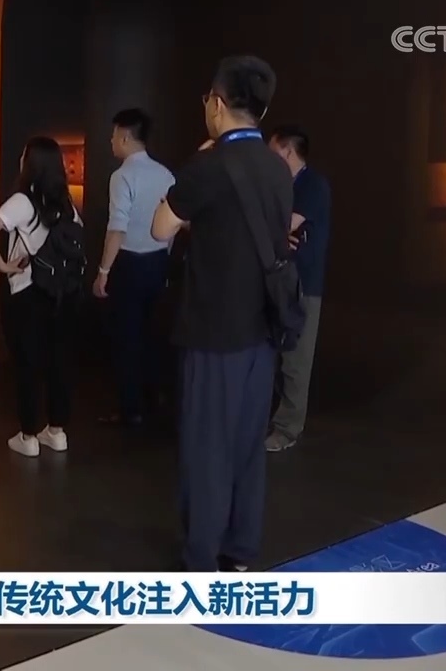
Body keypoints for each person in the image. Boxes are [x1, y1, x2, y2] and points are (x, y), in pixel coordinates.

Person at [151, 56, 293, 572]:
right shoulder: (278, 168)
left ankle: (202, 557)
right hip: (263, 329)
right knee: (247, 447)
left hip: (214, 330)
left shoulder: (208, 165)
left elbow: (160, 228)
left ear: (216, 103)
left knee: (207, 448)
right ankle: (241, 550)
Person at [0, 137, 83, 457]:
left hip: (28, 290)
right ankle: (57, 431)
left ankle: (28, 436)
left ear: (30, 162)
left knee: (28, 363)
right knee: (58, 361)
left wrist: (3, 266)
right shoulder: (65, 201)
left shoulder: (23, 200)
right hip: (63, 291)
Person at [93, 108, 176, 427]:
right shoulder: (165, 174)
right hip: (157, 261)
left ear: (126, 137)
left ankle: (131, 409)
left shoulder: (122, 176)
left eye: (114, 135)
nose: (111, 141)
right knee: (151, 332)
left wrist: (103, 271)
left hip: (128, 264)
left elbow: (117, 227)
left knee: (127, 337)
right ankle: (153, 397)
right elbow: (171, 225)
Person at [265, 125, 331, 452]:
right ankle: (275, 422)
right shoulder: (282, 186)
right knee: (275, 356)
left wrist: (275, 231)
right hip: (279, 280)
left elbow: (283, 226)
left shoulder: (313, 185)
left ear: (288, 151)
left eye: (273, 150)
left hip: (303, 283)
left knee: (295, 359)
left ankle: (287, 429)